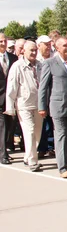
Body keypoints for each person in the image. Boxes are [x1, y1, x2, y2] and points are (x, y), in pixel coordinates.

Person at [38, 37, 67, 178]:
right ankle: (62, 168)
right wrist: (42, 106)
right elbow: (43, 87)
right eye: (65, 45)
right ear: (58, 47)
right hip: (57, 105)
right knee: (60, 136)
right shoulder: (50, 63)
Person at [5, 41, 44, 171]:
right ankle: (33, 161)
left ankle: (28, 156)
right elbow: (11, 88)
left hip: (38, 105)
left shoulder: (40, 65)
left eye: (35, 50)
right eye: (31, 50)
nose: (33, 53)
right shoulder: (17, 66)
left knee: (37, 133)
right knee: (30, 132)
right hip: (24, 105)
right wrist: (10, 107)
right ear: (24, 51)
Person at [0, 33, 19, 165]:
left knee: (10, 125)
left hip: (10, 98)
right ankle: (3, 154)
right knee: (2, 126)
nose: (2, 43)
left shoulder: (13, 58)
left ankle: (5, 147)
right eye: (0, 41)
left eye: (4, 41)